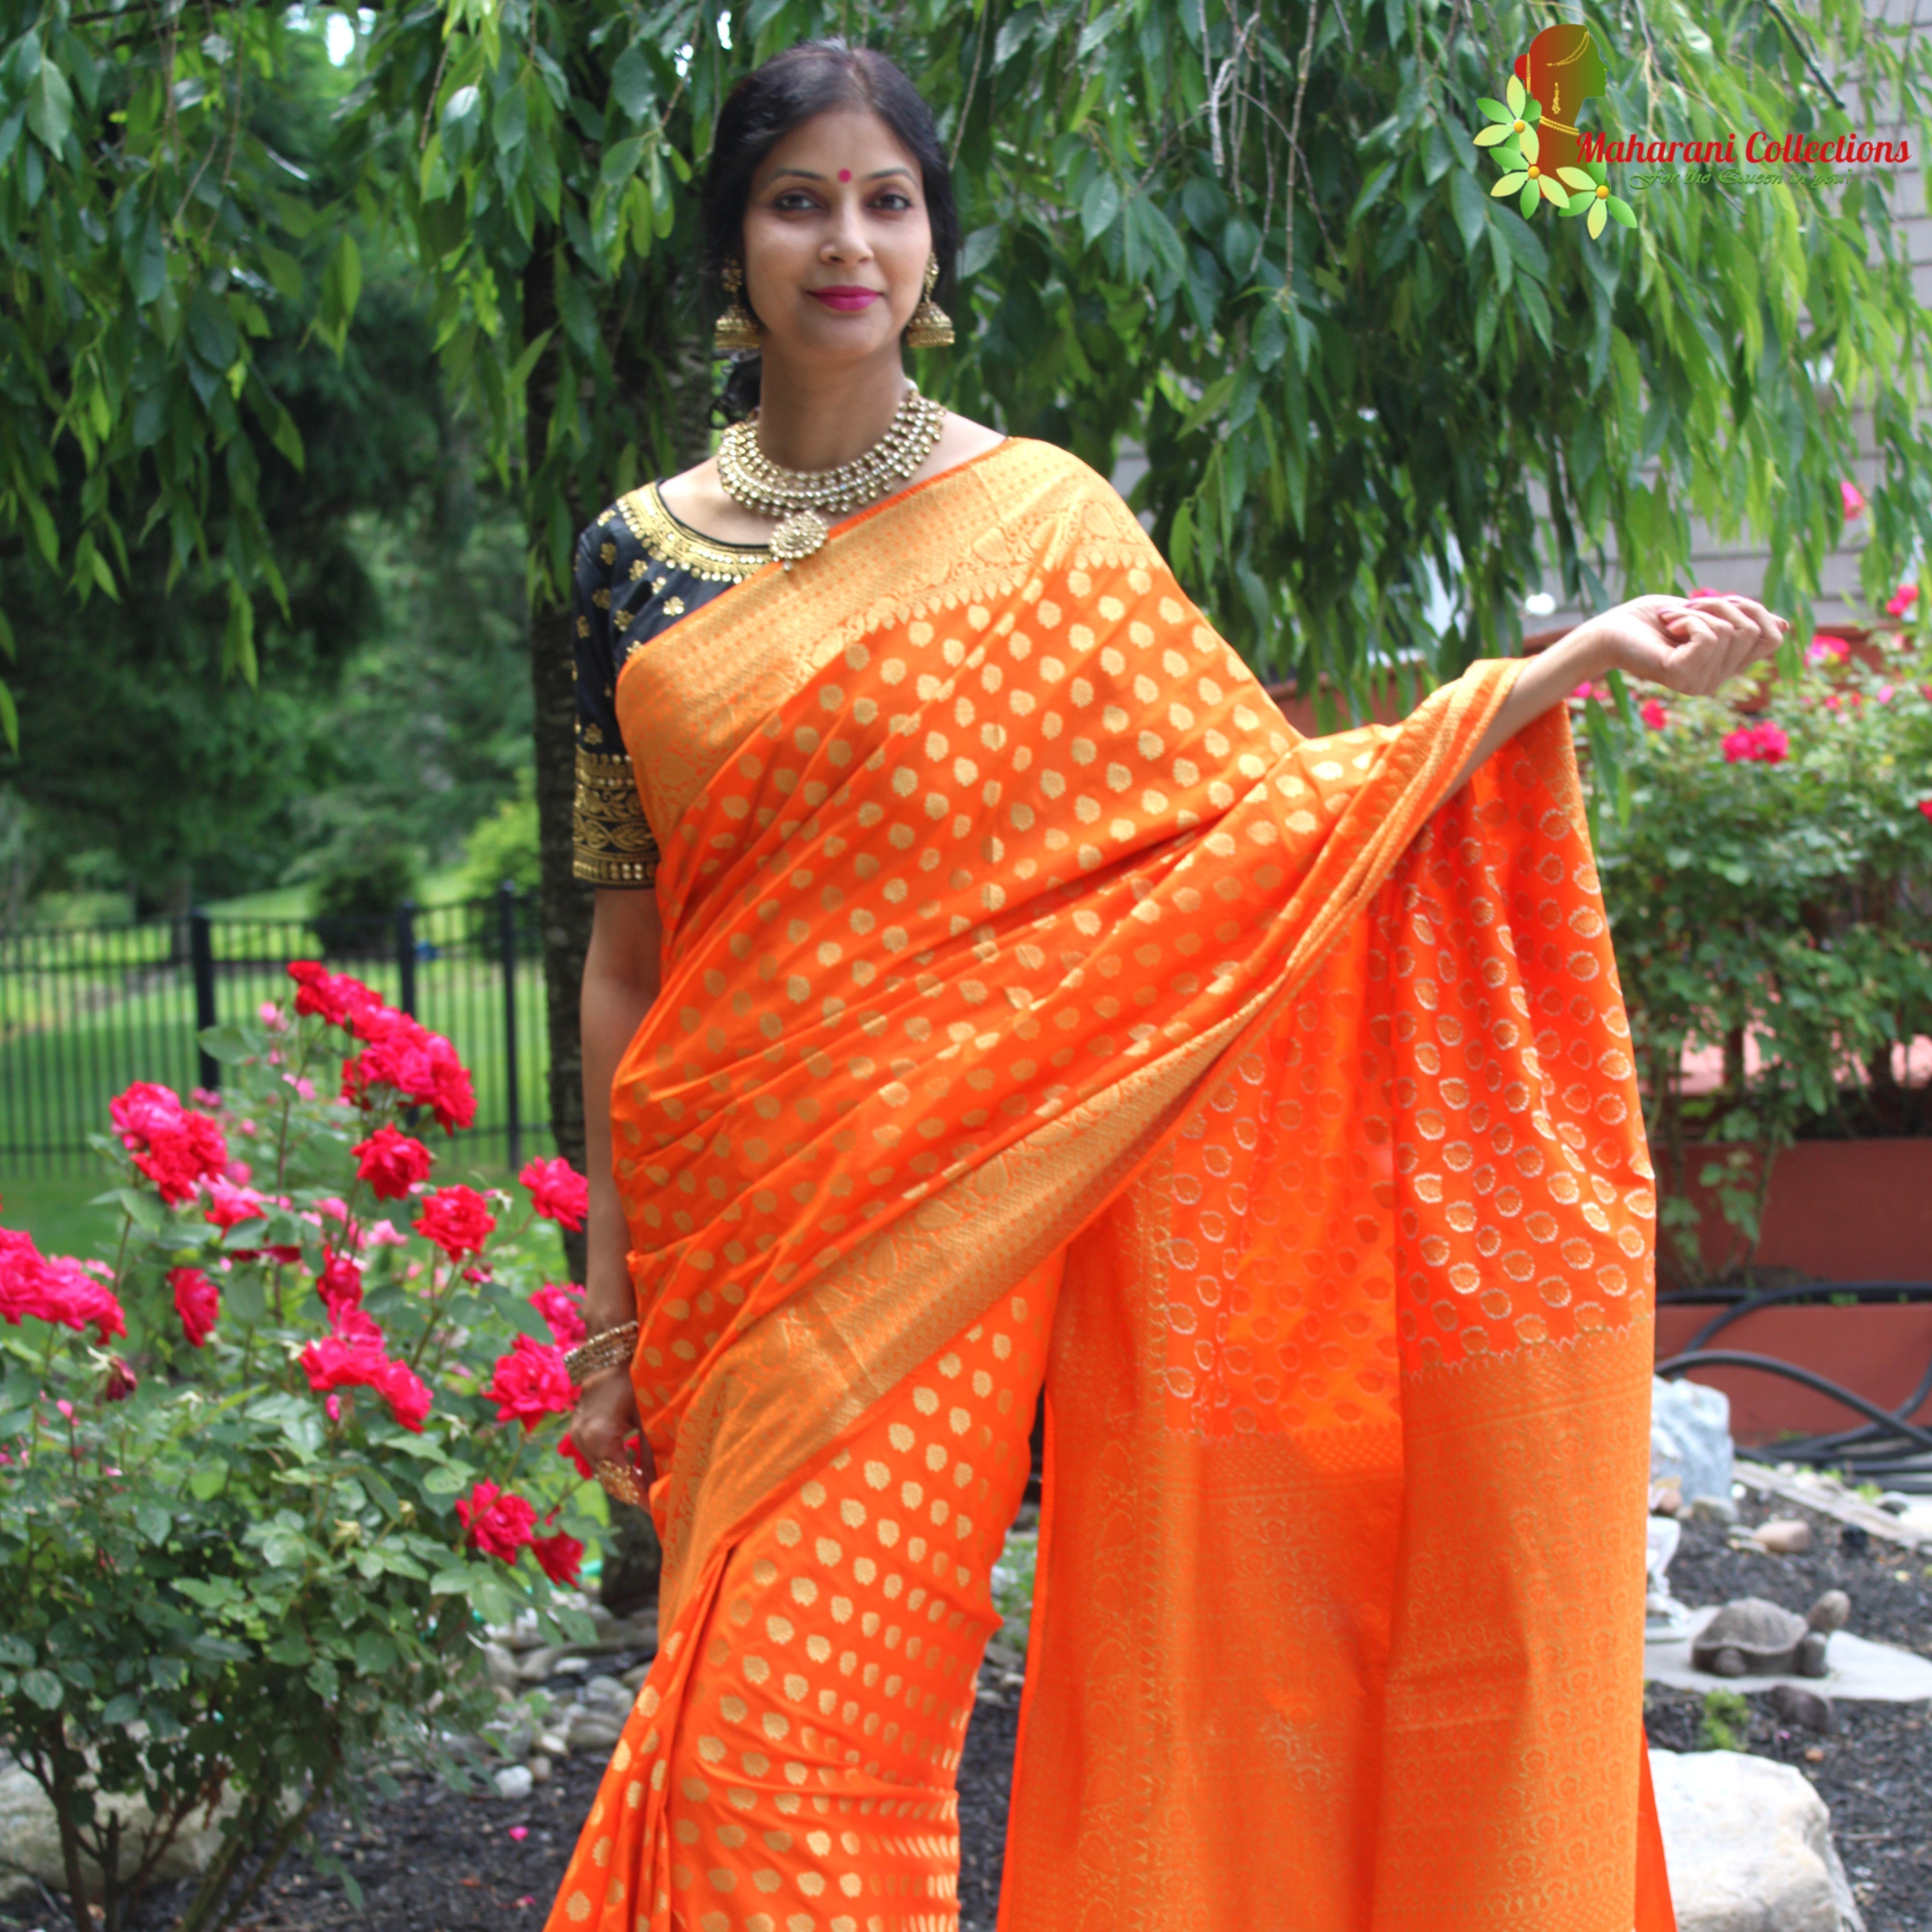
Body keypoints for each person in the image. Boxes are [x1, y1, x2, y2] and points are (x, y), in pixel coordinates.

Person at [552, 39, 1782, 1932]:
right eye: (799, 198)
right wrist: (610, 1292)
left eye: (885, 198)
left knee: (797, 1745)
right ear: (735, 243)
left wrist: (1554, 672)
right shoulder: (624, 567)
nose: (845, 238)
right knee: (720, 1730)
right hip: (731, 1219)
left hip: (948, 1213)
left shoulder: (1041, 523)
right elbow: (624, 959)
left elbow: (1256, 825)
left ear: (933, 248)